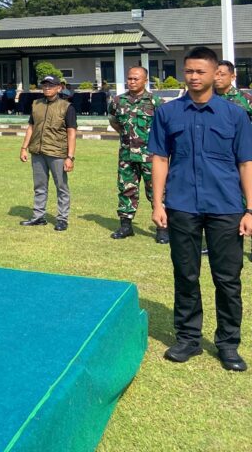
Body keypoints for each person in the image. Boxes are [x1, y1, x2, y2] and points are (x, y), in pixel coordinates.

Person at [149, 46, 252, 371]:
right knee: (186, 274)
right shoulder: (168, 113)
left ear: (215, 73)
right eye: (189, 71)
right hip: (181, 205)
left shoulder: (235, 115)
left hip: (226, 207)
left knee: (228, 279)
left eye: (200, 71)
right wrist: (157, 203)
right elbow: (159, 158)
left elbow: (246, 163)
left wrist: (250, 210)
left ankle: (228, 345)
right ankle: (188, 339)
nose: (193, 77)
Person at [107, 66, 164, 242]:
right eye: (129, 78)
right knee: (126, 189)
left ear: (145, 81)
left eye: (136, 79)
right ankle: (126, 226)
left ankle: (162, 228)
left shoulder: (155, 102)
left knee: (157, 191)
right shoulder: (118, 101)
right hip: (127, 155)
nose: (131, 82)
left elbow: (164, 127)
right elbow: (114, 122)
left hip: (151, 157)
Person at [18, 76, 77, 231]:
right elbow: (31, 127)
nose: (47, 88)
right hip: (37, 151)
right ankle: (38, 217)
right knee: (39, 186)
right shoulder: (36, 104)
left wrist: (70, 157)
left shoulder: (67, 107)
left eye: (51, 85)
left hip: (57, 153)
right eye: (44, 85)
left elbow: (71, 132)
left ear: (59, 88)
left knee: (61, 187)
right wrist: (24, 148)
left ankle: (62, 219)